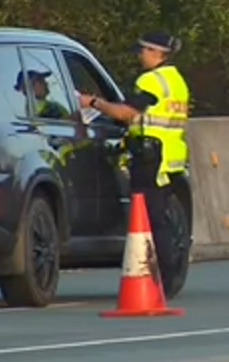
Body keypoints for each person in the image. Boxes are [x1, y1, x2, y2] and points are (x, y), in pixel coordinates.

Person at [77, 31, 190, 297]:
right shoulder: (176, 81)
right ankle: (167, 278)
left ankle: (161, 279)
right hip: (170, 158)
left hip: (151, 159)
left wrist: (92, 102)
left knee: (152, 221)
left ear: (155, 52)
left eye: (143, 51)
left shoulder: (151, 81)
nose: (140, 56)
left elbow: (126, 113)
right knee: (161, 220)